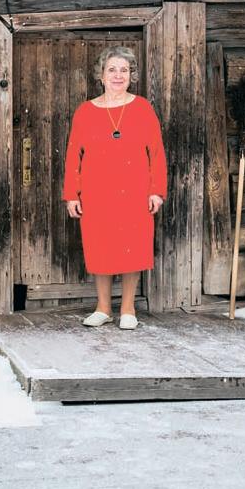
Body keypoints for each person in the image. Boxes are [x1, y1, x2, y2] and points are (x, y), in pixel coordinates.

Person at [62, 46, 167, 330]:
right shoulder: (85, 112)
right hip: (96, 193)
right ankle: (103, 308)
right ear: (101, 75)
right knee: (100, 247)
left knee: (133, 247)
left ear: (131, 75)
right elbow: (73, 156)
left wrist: (156, 190)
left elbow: (157, 152)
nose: (118, 75)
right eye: (112, 70)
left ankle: (128, 309)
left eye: (124, 70)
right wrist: (71, 194)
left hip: (135, 191)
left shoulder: (142, 108)